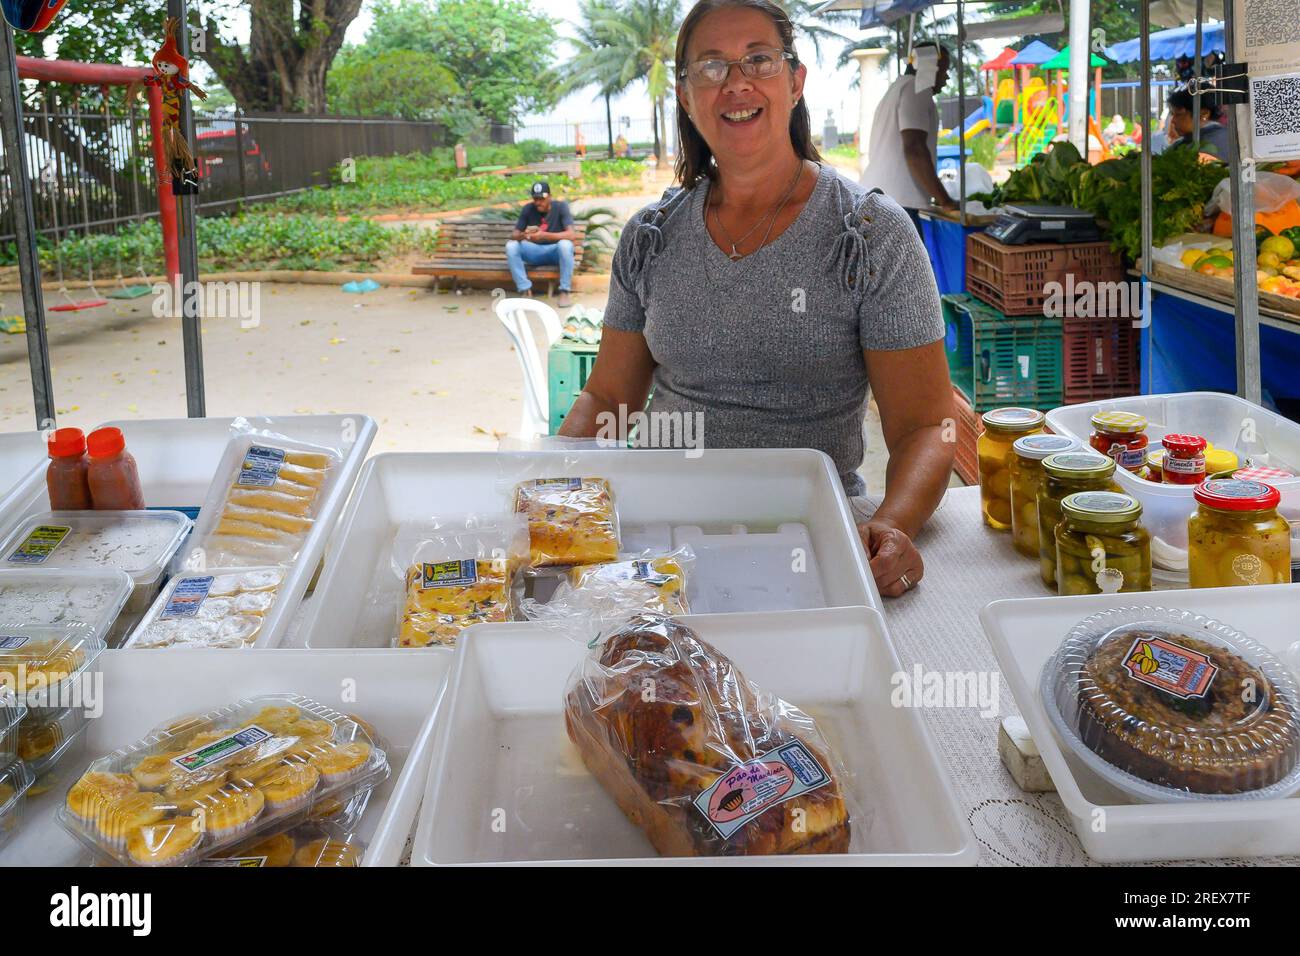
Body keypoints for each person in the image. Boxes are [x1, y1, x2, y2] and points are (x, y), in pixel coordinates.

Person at [558, 0, 955, 598]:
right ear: (686, 96)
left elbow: (926, 426)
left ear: (795, 82)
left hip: (808, 537)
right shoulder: (650, 236)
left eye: (759, 60)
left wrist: (893, 524)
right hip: (661, 539)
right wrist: (550, 491)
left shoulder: (869, 233)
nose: (736, 83)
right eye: (711, 67)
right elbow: (609, 396)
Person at [859, 41, 958, 230]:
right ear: (929, 66)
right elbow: (915, 148)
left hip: (879, 199)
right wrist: (945, 201)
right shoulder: (916, 90)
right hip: (897, 204)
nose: (946, 78)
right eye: (943, 70)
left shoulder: (897, 87)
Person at [506, 181, 577, 307]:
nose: (538, 202)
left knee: (565, 245)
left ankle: (564, 291)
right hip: (534, 252)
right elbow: (514, 235)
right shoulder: (528, 209)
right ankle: (525, 290)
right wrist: (526, 235)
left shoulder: (561, 207)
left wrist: (544, 235)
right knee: (511, 246)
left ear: (549, 197)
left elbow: (571, 235)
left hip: (555, 252)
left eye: (542, 199)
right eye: (535, 198)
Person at [1166, 89, 1230, 160]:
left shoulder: (1210, 144)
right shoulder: (1228, 136)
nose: (1173, 120)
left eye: (1179, 114)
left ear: (1204, 114)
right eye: (1172, 114)